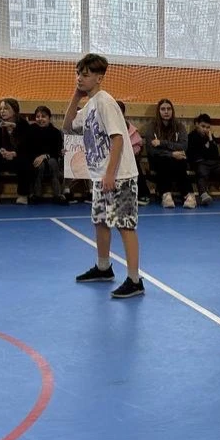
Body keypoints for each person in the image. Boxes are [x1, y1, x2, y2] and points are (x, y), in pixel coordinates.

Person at [64, 53, 144, 299]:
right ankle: (103, 267)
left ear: (99, 78)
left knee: (124, 225)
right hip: (100, 176)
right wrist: (76, 96)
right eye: (78, 74)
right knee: (100, 221)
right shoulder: (90, 104)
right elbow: (67, 126)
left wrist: (111, 174)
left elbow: (118, 138)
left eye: (85, 75)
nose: (80, 78)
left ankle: (134, 280)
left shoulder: (106, 102)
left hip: (120, 176)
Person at [145, 98, 193, 209]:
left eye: (169, 109)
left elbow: (183, 146)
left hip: (176, 160)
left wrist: (162, 143)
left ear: (172, 111)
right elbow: (152, 150)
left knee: (180, 160)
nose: (166, 112)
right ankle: (166, 194)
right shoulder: (152, 127)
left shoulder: (179, 126)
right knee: (165, 161)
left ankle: (188, 195)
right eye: (163, 109)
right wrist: (171, 154)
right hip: (158, 160)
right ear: (158, 111)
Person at [188, 113, 220, 205]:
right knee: (202, 173)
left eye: (208, 127)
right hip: (200, 163)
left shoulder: (210, 137)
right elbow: (196, 153)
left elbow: (215, 154)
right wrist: (206, 149)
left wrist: (210, 139)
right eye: (203, 126)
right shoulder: (192, 136)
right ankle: (203, 194)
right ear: (197, 124)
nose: (205, 129)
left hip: (214, 163)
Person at [0, 98, 32, 205]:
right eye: (1, 109)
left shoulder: (23, 125)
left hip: (17, 156)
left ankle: (23, 194)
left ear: (15, 110)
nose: (2, 111)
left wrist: (14, 153)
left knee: (25, 162)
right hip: (1, 156)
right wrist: (1, 151)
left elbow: (27, 146)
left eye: (6, 108)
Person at [27, 105, 66, 204]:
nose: (40, 119)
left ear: (49, 118)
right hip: (35, 161)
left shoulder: (55, 132)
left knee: (52, 162)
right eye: (38, 117)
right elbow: (28, 149)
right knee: (40, 164)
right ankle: (36, 195)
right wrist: (38, 158)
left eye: (43, 116)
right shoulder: (31, 130)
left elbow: (57, 151)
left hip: (51, 161)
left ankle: (58, 195)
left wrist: (45, 156)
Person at [117, 100, 151, 206]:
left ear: (123, 113)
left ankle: (143, 194)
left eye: (119, 111)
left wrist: (129, 153)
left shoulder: (130, 129)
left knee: (134, 165)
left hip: (128, 158)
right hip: (110, 158)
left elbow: (138, 146)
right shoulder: (105, 126)